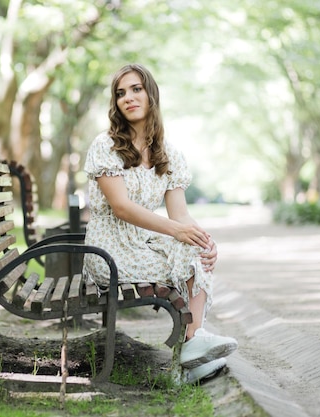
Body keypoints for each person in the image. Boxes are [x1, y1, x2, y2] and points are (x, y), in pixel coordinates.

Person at [82, 63, 237, 384]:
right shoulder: (106, 146)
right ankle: (193, 347)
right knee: (185, 248)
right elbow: (122, 208)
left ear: (151, 95)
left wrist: (202, 239)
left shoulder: (169, 155)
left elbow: (180, 216)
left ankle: (193, 341)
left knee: (196, 252)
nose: (128, 98)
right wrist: (178, 231)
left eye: (136, 89)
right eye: (121, 93)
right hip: (109, 251)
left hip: (143, 243)